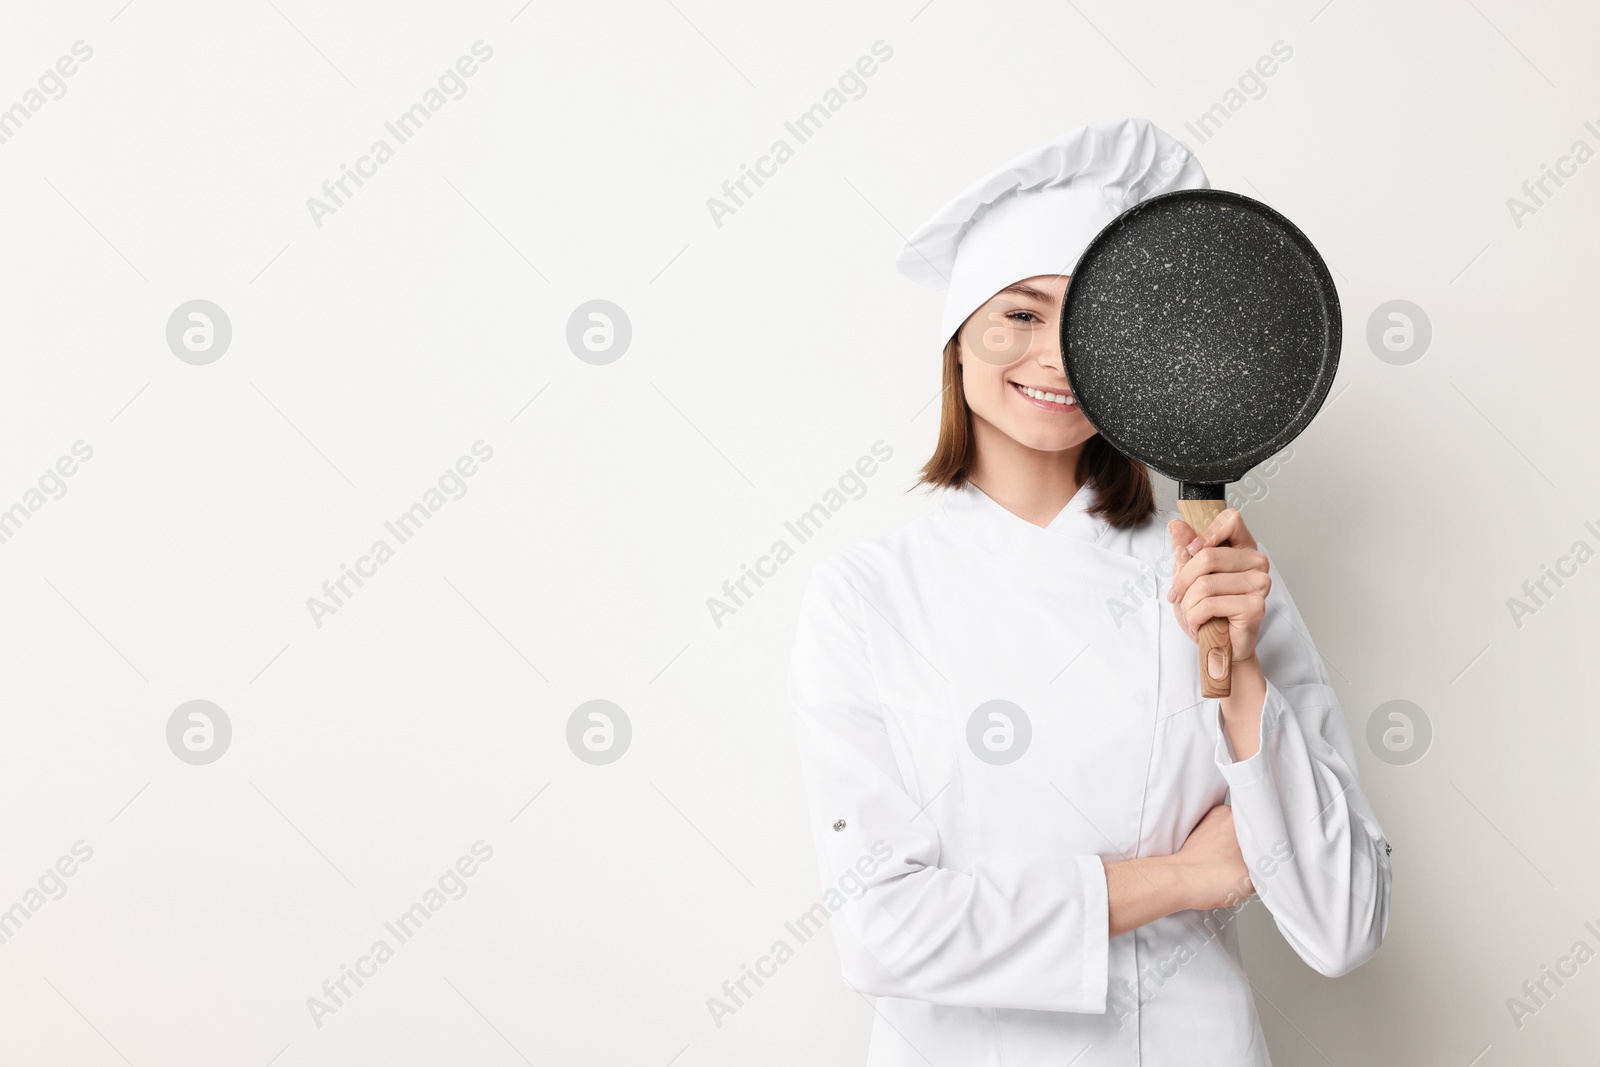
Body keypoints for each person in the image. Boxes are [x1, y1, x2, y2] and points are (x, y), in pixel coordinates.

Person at [786, 117, 1391, 1066]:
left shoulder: (1211, 576)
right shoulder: (867, 595)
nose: (1057, 358)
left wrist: (1239, 681)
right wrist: (1183, 877)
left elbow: (1345, 924)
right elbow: (881, 929)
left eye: (1090, 329)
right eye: (1021, 314)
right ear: (958, 334)